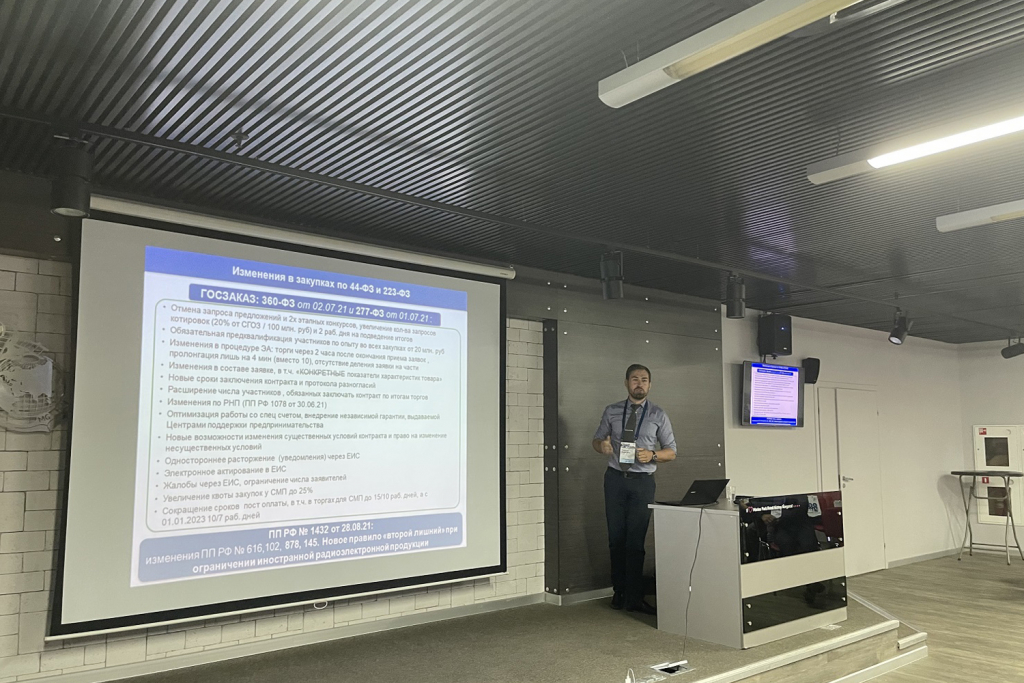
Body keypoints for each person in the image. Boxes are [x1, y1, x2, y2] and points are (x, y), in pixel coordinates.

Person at [591, 364, 676, 615]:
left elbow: (671, 451)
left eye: (644, 380)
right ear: (626, 383)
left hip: (642, 482)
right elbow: (597, 439)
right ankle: (619, 593)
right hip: (615, 479)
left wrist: (652, 455)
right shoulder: (612, 411)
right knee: (616, 539)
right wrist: (601, 447)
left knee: (635, 541)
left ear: (650, 385)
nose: (640, 384)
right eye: (635, 379)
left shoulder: (658, 414)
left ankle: (635, 597)